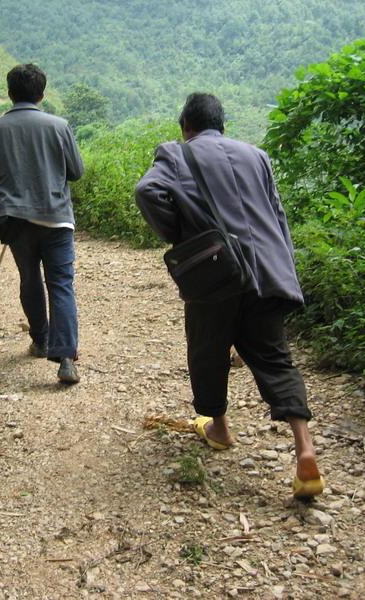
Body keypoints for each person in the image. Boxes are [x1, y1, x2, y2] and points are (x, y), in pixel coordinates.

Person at [135, 92, 324, 498]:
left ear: (186, 126)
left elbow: (147, 193)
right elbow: (277, 213)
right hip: (268, 270)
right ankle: (305, 450)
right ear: (223, 125)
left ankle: (218, 428)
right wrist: (284, 267)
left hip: (216, 272)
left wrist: (182, 235)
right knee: (275, 358)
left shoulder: (176, 154)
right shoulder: (257, 155)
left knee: (208, 347)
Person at [0, 64, 84, 384]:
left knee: (30, 278)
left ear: (10, 94)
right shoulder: (59, 126)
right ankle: (65, 357)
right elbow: (76, 172)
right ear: (42, 93)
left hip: (16, 222)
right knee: (61, 284)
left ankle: (41, 340)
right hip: (56, 219)